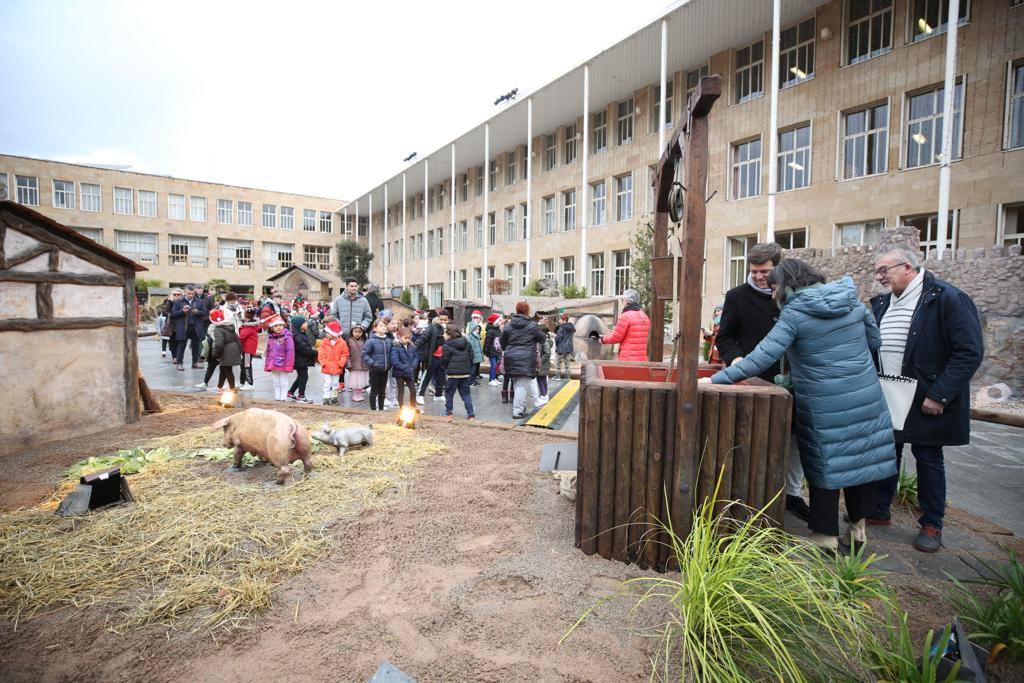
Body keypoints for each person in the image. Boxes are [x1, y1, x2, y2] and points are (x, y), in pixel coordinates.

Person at [700, 260, 896, 554]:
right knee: (859, 462)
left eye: (774, 287)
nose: (771, 294)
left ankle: (826, 536)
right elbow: (875, 340)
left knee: (826, 463)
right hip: (866, 397)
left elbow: (760, 358)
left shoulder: (796, 313)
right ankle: (857, 530)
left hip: (824, 401)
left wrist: (716, 380)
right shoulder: (852, 303)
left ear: (788, 284)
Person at [867, 248, 983, 553]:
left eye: (884, 270)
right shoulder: (881, 303)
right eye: (876, 271)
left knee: (929, 459)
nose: (879, 277)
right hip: (888, 394)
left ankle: (932, 524)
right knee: (886, 452)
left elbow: (968, 351)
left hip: (926, 398)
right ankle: (879, 510)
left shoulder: (947, 298)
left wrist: (939, 393)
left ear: (907, 267)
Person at [715, 243, 810, 522]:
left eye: (765, 271)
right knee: (750, 438)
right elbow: (725, 337)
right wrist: (736, 360)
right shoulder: (736, 297)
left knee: (795, 440)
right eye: (754, 271)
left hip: (792, 381)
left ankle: (792, 494)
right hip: (751, 381)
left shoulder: (793, 296)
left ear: (777, 269)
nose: (759, 277)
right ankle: (747, 494)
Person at [500, 301, 547, 420]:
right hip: (526, 359)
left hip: (510, 357)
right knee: (521, 385)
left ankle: (522, 407)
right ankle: (517, 411)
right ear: (527, 311)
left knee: (517, 383)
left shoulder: (509, 325)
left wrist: (509, 349)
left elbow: (502, 343)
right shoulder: (532, 325)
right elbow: (542, 339)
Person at [596, 289, 651, 361]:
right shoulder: (644, 316)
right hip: (642, 359)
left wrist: (603, 339)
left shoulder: (625, 316)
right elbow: (632, 335)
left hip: (628, 359)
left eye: (623, 299)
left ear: (627, 301)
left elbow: (616, 338)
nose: (623, 302)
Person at [170, 285, 208, 370]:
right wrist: (182, 311)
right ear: (184, 293)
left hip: (196, 327)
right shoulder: (178, 302)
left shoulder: (200, 301)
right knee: (181, 346)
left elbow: (205, 313)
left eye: (192, 293)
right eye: (189, 293)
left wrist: (197, 311)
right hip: (184, 327)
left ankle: (195, 363)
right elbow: (173, 314)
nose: (190, 295)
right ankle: (179, 363)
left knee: (195, 346)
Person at [440, 328, 476, 420]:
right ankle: (471, 414)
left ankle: (449, 412)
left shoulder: (446, 345)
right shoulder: (467, 343)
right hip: (465, 373)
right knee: (466, 394)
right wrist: (468, 369)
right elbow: (471, 357)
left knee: (449, 393)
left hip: (452, 374)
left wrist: (446, 369)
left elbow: (444, 360)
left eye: (445, 333)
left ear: (450, 335)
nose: (444, 335)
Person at [415, 309, 449, 405]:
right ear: (438, 319)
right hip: (433, 356)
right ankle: (420, 395)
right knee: (427, 376)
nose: (443, 322)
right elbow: (422, 339)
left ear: (448, 320)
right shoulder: (432, 327)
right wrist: (413, 348)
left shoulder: (449, 329)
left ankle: (438, 395)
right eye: (441, 319)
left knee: (441, 376)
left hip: (443, 357)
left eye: (445, 320)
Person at [362, 320, 393, 411]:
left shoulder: (388, 340)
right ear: (375, 329)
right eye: (380, 326)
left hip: (385, 369)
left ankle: (381, 408)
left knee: (382, 391)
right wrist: (373, 363)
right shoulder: (371, 341)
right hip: (375, 369)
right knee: (374, 390)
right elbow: (365, 354)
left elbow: (391, 354)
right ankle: (373, 409)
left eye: (384, 326)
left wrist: (389, 364)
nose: (383, 327)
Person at [209, 307, 242, 392]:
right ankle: (219, 386)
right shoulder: (230, 326)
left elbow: (219, 344)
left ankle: (232, 388)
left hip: (226, 351)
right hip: (234, 349)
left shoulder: (218, 329)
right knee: (223, 369)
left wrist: (215, 354)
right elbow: (237, 339)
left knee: (227, 370)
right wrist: (240, 350)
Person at [263, 315, 295, 401]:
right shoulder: (271, 337)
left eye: (280, 325)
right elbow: (268, 351)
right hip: (273, 363)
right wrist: (267, 363)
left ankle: (283, 396)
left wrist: (288, 365)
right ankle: (277, 396)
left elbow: (290, 351)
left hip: (283, 363)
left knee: (283, 381)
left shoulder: (287, 336)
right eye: (276, 326)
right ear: (272, 328)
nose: (278, 327)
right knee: (276, 381)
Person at [318, 320, 349, 405]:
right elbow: (321, 353)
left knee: (335, 383)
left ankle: (334, 397)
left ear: (333, 334)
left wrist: (341, 364)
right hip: (327, 366)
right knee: (327, 383)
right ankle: (326, 397)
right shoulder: (324, 342)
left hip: (337, 367)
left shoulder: (342, 343)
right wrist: (323, 362)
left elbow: (345, 354)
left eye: (328, 333)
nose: (326, 334)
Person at [288, 315, 317, 403]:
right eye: (304, 322)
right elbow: (304, 350)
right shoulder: (297, 336)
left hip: (301, 360)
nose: (306, 323)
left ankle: (291, 392)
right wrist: (316, 352)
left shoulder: (300, 333)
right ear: (298, 324)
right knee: (304, 377)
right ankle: (301, 396)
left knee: (301, 377)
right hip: (300, 360)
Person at [390, 329, 419, 408]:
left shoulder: (411, 346)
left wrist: (413, 366)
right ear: (399, 337)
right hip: (400, 373)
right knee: (401, 391)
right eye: (405, 338)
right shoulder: (395, 347)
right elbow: (395, 361)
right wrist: (406, 368)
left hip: (409, 371)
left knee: (413, 390)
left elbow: (416, 357)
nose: (408, 340)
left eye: (409, 338)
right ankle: (401, 407)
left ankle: (413, 406)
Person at [237, 307, 260, 390]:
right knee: (243, 365)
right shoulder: (250, 324)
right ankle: (242, 382)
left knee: (246, 365)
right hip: (247, 348)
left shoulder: (249, 327)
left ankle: (250, 383)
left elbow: (241, 336)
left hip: (248, 349)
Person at [346, 325, 369, 403]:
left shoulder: (364, 341)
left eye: (359, 332)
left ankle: (359, 394)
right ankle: (355, 394)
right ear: (352, 332)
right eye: (355, 332)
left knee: (361, 380)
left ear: (362, 333)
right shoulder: (349, 340)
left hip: (363, 363)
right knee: (355, 381)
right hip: (354, 363)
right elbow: (346, 353)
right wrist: (348, 362)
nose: (357, 333)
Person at [536, 316, 553, 402]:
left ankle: (543, 394)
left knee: (540, 379)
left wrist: (539, 361)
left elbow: (547, 353)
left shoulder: (543, 341)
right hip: (544, 364)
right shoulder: (546, 340)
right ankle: (544, 393)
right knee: (543, 379)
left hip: (542, 364)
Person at [466, 310, 485, 386]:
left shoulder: (477, 336)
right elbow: (471, 347)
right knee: (473, 369)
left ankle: (473, 379)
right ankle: (471, 380)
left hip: (477, 355)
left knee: (475, 368)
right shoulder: (472, 336)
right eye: (477, 329)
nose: (478, 330)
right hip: (474, 356)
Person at [555, 313, 576, 380]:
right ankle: (567, 376)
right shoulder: (571, 327)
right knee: (567, 363)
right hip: (569, 348)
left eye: (560, 319)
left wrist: (556, 344)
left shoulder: (561, 328)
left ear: (563, 319)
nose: (559, 321)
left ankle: (558, 376)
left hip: (561, 348)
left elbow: (558, 338)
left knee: (558, 362)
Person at [483, 313, 503, 385]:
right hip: (491, 351)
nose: (501, 322)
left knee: (496, 366)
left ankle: (494, 378)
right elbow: (487, 342)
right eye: (499, 320)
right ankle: (491, 380)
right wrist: (486, 351)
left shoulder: (498, 330)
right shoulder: (490, 331)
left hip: (497, 351)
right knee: (493, 366)